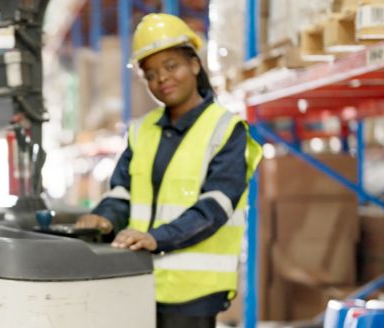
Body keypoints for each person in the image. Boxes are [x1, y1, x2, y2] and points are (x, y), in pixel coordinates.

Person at [75, 13, 261, 328]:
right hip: (139, 279)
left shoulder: (227, 130)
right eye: (150, 74)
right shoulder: (141, 130)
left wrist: (155, 238)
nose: (161, 79)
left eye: (171, 66)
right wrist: (104, 216)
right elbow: (122, 193)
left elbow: (215, 208)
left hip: (193, 295)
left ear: (194, 64)